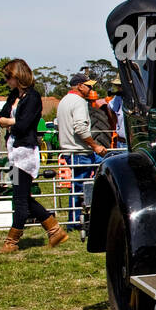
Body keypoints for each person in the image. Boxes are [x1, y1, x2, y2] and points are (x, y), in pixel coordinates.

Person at [0, 59, 66, 253]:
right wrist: (12, 121)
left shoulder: (33, 97)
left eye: (8, 77)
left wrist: (9, 122)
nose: (7, 80)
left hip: (25, 154)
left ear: (18, 76)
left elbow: (23, 125)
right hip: (14, 152)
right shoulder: (13, 96)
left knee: (20, 201)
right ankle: (54, 229)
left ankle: (12, 242)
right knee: (23, 197)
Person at [56, 73, 109, 230]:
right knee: (79, 186)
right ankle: (74, 223)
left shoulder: (64, 101)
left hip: (70, 149)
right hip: (79, 151)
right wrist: (95, 146)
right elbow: (80, 127)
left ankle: (78, 219)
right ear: (79, 86)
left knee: (78, 185)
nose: (90, 89)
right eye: (88, 86)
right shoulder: (79, 102)